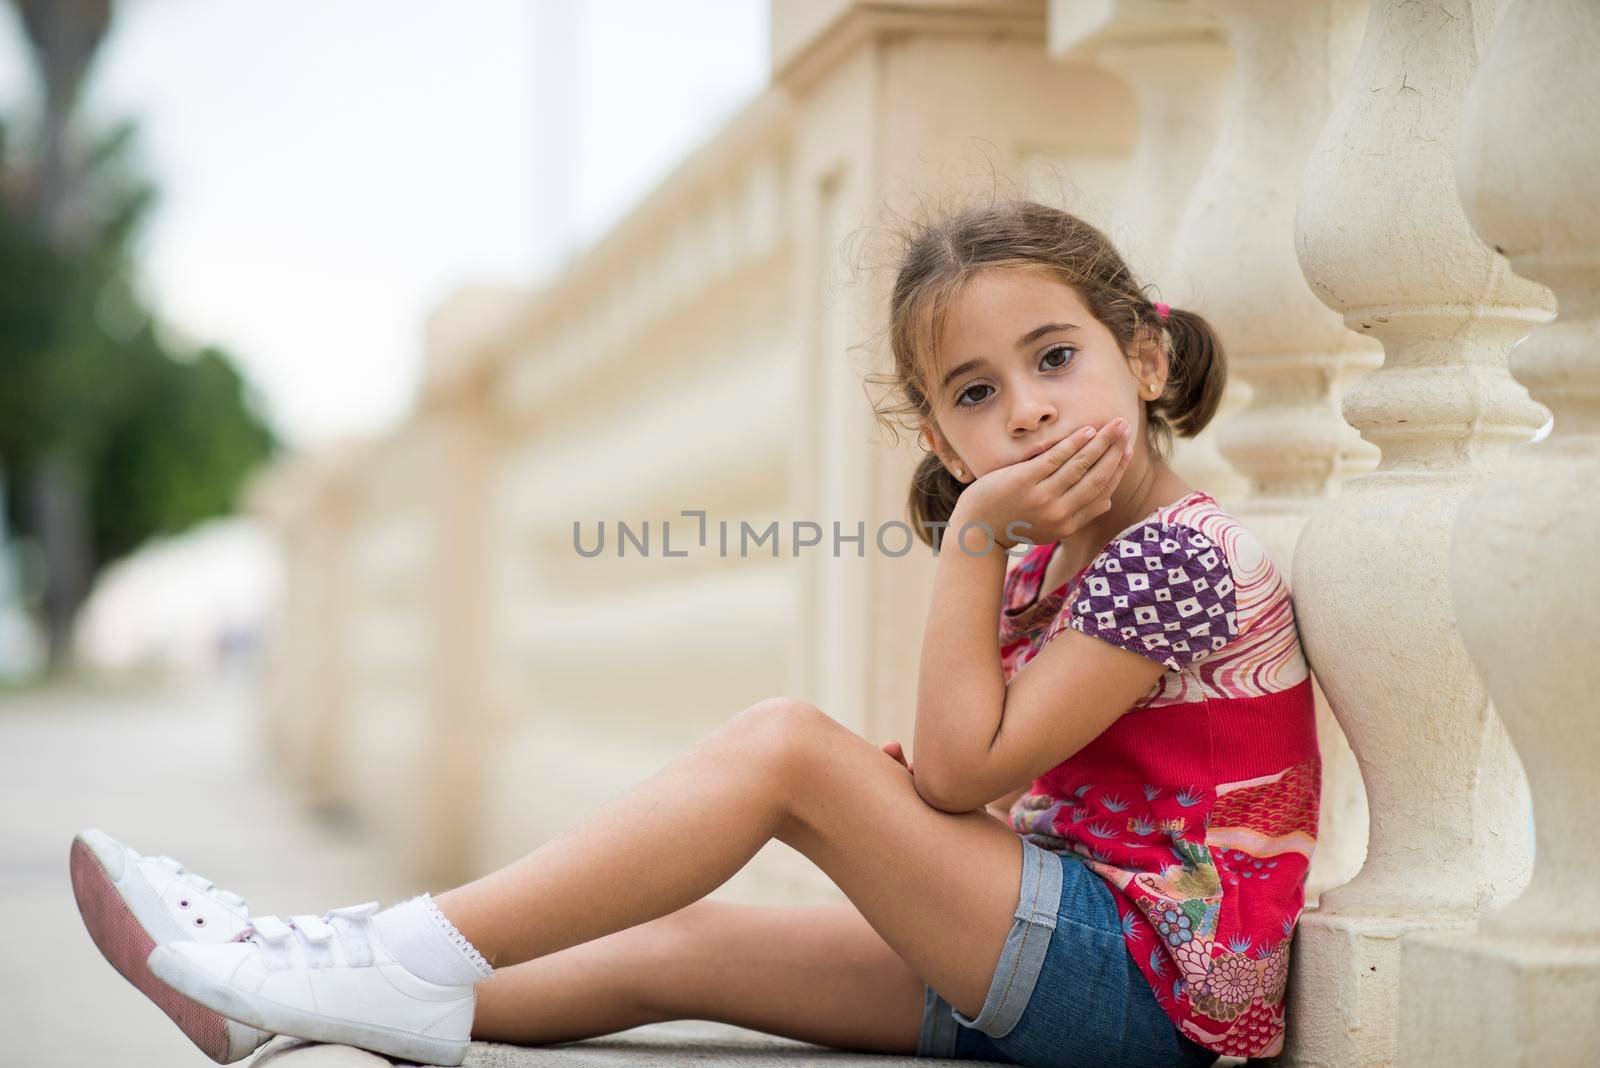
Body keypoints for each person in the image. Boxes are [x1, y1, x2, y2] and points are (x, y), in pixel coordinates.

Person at [70, 198, 1318, 1068]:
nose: (1030, 414)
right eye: (978, 394)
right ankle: (288, 987)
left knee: (784, 749)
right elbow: (971, 775)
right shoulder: (1064, 551)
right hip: (1072, 945)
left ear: (1145, 359)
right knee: (681, 946)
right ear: (943, 442)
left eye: (1056, 359)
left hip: (1145, 992)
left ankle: (373, 948)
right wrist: (985, 572)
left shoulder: (1175, 555)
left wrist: (972, 541)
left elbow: (956, 769)